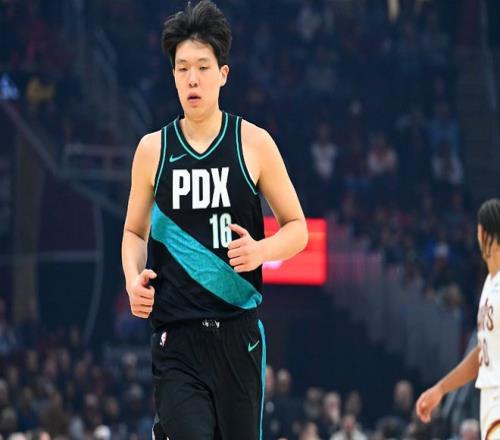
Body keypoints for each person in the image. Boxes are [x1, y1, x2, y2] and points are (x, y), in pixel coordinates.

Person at [120, 1, 308, 439]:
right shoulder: (152, 149)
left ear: (223, 74)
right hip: (177, 337)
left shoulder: (254, 143)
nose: (192, 78)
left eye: (203, 67)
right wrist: (132, 279)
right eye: (182, 68)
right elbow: (133, 231)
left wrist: (261, 250)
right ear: (172, 76)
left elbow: (297, 227)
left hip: (238, 335)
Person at [416, 199, 500, 439]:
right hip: (490, 402)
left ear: (481, 233)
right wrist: (441, 389)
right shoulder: (490, 283)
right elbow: (482, 353)